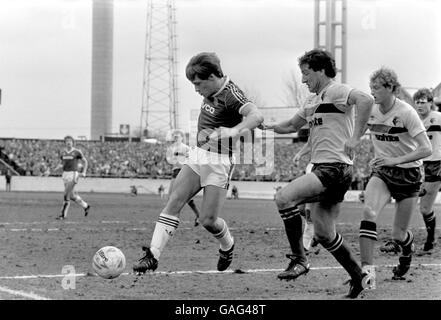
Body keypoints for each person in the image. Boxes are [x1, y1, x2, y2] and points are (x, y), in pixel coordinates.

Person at [133, 52, 264, 274]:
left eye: (198, 84)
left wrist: (232, 131)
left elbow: (256, 116)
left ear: (213, 76)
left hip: (219, 162)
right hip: (198, 155)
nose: (196, 89)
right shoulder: (211, 89)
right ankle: (152, 255)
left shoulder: (232, 94)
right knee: (174, 201)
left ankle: (227, 244)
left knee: (208, 220)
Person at [262, 49, 374, 298]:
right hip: (327, 168)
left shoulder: (336, 90)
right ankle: (359, 277)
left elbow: (366, 100)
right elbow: (292, 125)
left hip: (334, 167)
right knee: (324, 233)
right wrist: (265, 125)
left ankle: (299, 259)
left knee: (283, 198)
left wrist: (356, 137)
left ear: (321, 70)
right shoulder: (313, 101)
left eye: (306, 73)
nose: (303, 80)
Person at [359, 68, 431, 288]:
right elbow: (358, 131)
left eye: (377, 88)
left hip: (409, 174)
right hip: (383, 171)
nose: (373, 92)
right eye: (370, 88)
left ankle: (406, 251)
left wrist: (394, 161)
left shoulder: (407, 112)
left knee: (398, 234)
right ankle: (367, 274)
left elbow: (426, 149)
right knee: (368, 212)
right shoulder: (370, 109)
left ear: (391, 88)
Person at [381, 88, 439, 256]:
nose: (420, 105)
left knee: (425, 208)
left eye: (423, 101)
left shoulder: (438, 118)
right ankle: (403, 236)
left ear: (431, 103)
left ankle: (430, 239)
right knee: (416, 206)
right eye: (418, 102)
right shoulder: (411, 118)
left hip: (436, 165)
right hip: (417, 166)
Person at [166, 130, 201, 226]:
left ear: (182, 138)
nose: (176, 138)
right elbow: (169, 160)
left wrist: (181, 157)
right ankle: (198, 215)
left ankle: (173, 218)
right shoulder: (171, 148)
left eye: (178, 137)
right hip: (175, 171)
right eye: (175, 137)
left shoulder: (185, 148)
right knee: (174, 197)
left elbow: (191, 157)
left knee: (176, 197)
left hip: (182, 171)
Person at [55, 135, 91, 220]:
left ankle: (63, 215)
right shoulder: (63, 153)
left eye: (70, 141)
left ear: (72, 142)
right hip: (65, 174)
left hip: (73, 174)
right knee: (71, 196)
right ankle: (86, 206)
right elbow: (62, 163)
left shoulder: (77, 152)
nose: (68, 142)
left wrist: (84, 172)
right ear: (65, 143)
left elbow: (85, 161)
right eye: (67, 141)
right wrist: (56, 168)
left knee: (66, 194)